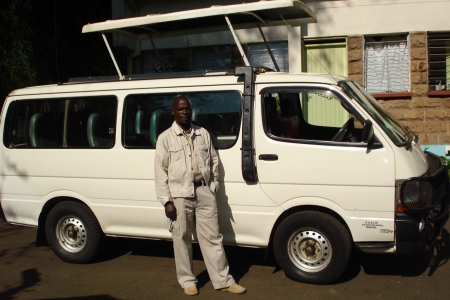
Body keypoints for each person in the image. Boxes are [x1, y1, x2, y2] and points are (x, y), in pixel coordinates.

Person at [155, 95, 246, 296]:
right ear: (173, 112)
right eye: (180, 109)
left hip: (204, 191)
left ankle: (223, 280)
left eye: (187, 109)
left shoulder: (202, 133)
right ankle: (187, 281)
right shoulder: (165, 138)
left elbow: (214, 161)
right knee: (182, 239)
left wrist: (212, 186)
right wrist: (166, 201)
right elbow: (160, 172)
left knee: (213, 238)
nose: (184, 112)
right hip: (179, 195)